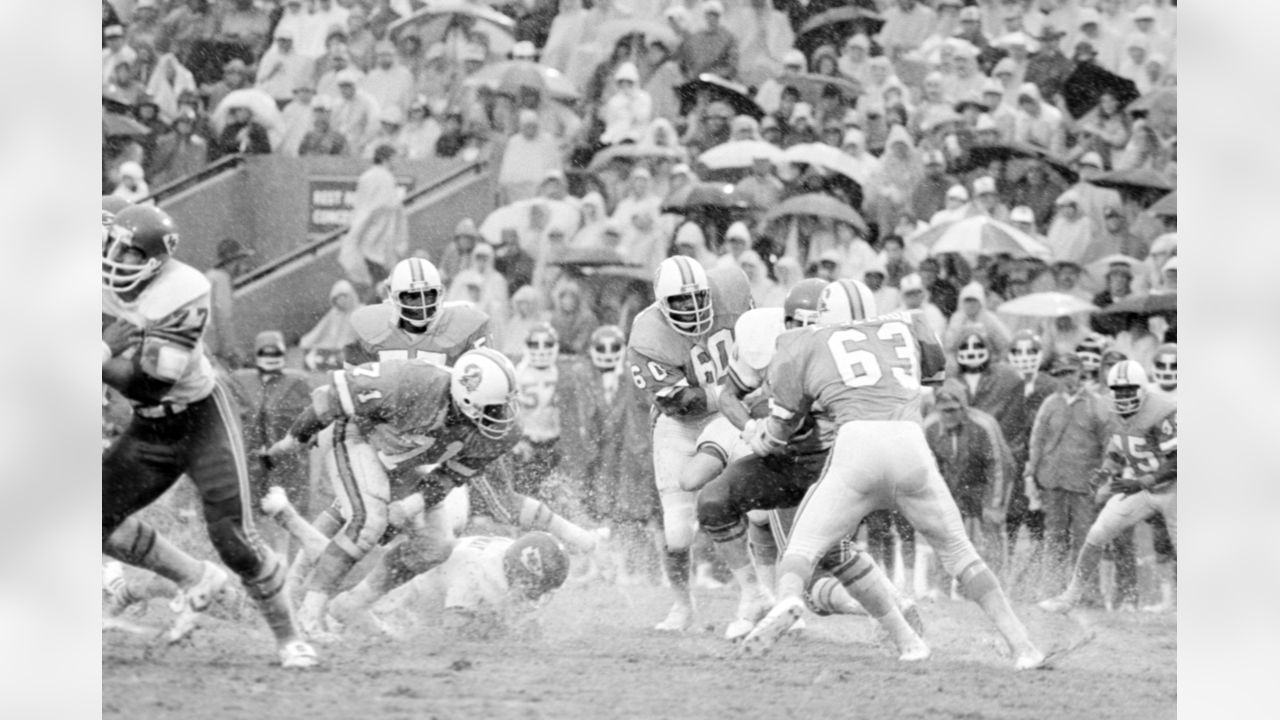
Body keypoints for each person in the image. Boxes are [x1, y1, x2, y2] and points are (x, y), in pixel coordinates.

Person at [737, 286, 1046, 670]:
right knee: (960, 552)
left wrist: (757, 435)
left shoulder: (805, 341)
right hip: (909, 444)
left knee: (803, 547)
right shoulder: (909, 324)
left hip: (857, 447)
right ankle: (1021, 645)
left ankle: (788, 599)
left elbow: (781, 430)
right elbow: (933, 377)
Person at [101, 205, 316, 668]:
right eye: (112, 245)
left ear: (157, 260)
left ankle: (291, 637)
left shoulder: (183, 289)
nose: (115, 257)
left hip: (200, 418)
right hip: (148, 426)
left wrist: (97, 351)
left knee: (232, 536)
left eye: (129, 252)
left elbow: (148, 382)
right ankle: (195, 577)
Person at [263, 350, 598, 640]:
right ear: (466, 398)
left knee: (437, 546)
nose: (504, 416)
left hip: (402, 459)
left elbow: (451, 474)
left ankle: (349, 606)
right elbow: (330, 398)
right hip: (357, 435)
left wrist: (411, 504)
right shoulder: (412, 382)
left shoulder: (498, 432)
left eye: (505, 405)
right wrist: (291, 441)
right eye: (495, 409)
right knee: (368, 523)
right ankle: (310, 614)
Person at [691, 280, 922, 641]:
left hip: (834, 464)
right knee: (713, 502)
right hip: (784, 459)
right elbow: (727, 394)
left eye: (814, 325)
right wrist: (751, 428)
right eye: (797, 324)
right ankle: (755, 596)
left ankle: (894, 611)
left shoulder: (854, 356)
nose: (805, 334)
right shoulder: (761, 336)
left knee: (824, 562)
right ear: (785, 321)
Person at [627, 257, 753, 632]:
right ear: (661, 304)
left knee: (764, 508)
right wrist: (729, 390)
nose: (692, 307)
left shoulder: (731, 286)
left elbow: (760, 344)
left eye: (697, 297)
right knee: (678, 529)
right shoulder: (647, 336)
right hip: (681, 423)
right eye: (680, 302)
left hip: (736, 409)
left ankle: (764, 593)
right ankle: (683, 606)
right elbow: (682, 403)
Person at [1039, 360, 1176, 614]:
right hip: (1141, 487)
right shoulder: (1109, 410)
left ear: (1143, 389)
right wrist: (1105, 472)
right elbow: (1118, 446)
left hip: (1174, 489)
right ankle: (1070, 597)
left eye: (1129, 390)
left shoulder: (1162, 410)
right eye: (1118, 390)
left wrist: (1142, 481)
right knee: (1097, 534)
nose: (1123, 397)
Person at [226, 331, 316, 558]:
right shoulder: (242, 381)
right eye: (266, 353)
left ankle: (283, 557)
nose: (271, 358)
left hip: (285, 459)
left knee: (284, 504)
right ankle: (260, 555)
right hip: (251, 457)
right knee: (252, 506)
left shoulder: (296, 382)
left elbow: (306, 419)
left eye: (276, 353)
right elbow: (237, 416)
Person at [923, 379, 1016, 594]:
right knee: (942, 531)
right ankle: (942, 586)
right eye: (944, 411)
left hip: (983, 483)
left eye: (954, 410)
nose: (949, 416)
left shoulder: (983, 426)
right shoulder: (930, 428)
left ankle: (993, 586)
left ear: (963, 408)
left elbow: (999, 467)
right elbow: (926, 469)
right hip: (952, 484)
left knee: (990, 531)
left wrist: (995, 505)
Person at [338, 145, 408, 291]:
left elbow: (362, 209)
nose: (397, 162)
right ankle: (370, 309)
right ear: (385, 159)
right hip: (377, 239)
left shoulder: (366, 176)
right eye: (395, 158)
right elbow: (385, 208)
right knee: (382, 285)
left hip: (365, 237)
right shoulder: (385, 178)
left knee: (378, 282)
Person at [202, 238, 255, 369]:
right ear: (233, 262)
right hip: (211, 350)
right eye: (242, 262)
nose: (244, 268)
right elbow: (223, 317)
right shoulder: (221, 279)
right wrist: (232, 353)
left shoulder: (209, 276)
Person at [300, 279, 364, 371]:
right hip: (335, 349)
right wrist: (307, 342)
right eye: (338, 298)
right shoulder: (335, 313)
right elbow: (320, 330)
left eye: (344, 297)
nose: (342, 301)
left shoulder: (360, 311)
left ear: (352, 296)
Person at [675, 1, 740, 80]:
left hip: (718, 82)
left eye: (714, 15)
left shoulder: (728, 38)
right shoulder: (696, 37)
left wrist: (716, 74)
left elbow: (732, 64)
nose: (711, 18)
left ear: (719, 16)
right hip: (696, 82)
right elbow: (684, 61)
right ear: (705, 16)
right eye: (709, 14)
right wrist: (689, 74)